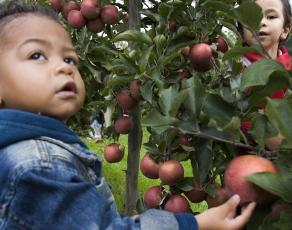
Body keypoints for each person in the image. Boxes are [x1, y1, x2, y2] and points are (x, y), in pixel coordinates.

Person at [0, 1, 255, 229]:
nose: (63, 68)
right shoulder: (40, 167)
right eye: (36, 55)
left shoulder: (35, 153)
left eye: (70, 60)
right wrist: (196, 225)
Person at [237, 0, 292, 150]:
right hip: (252, 155)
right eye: (251, 19)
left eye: (271, 17)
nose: (261, 23)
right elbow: (239, 115)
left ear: (285, 29)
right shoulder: (240, 70)